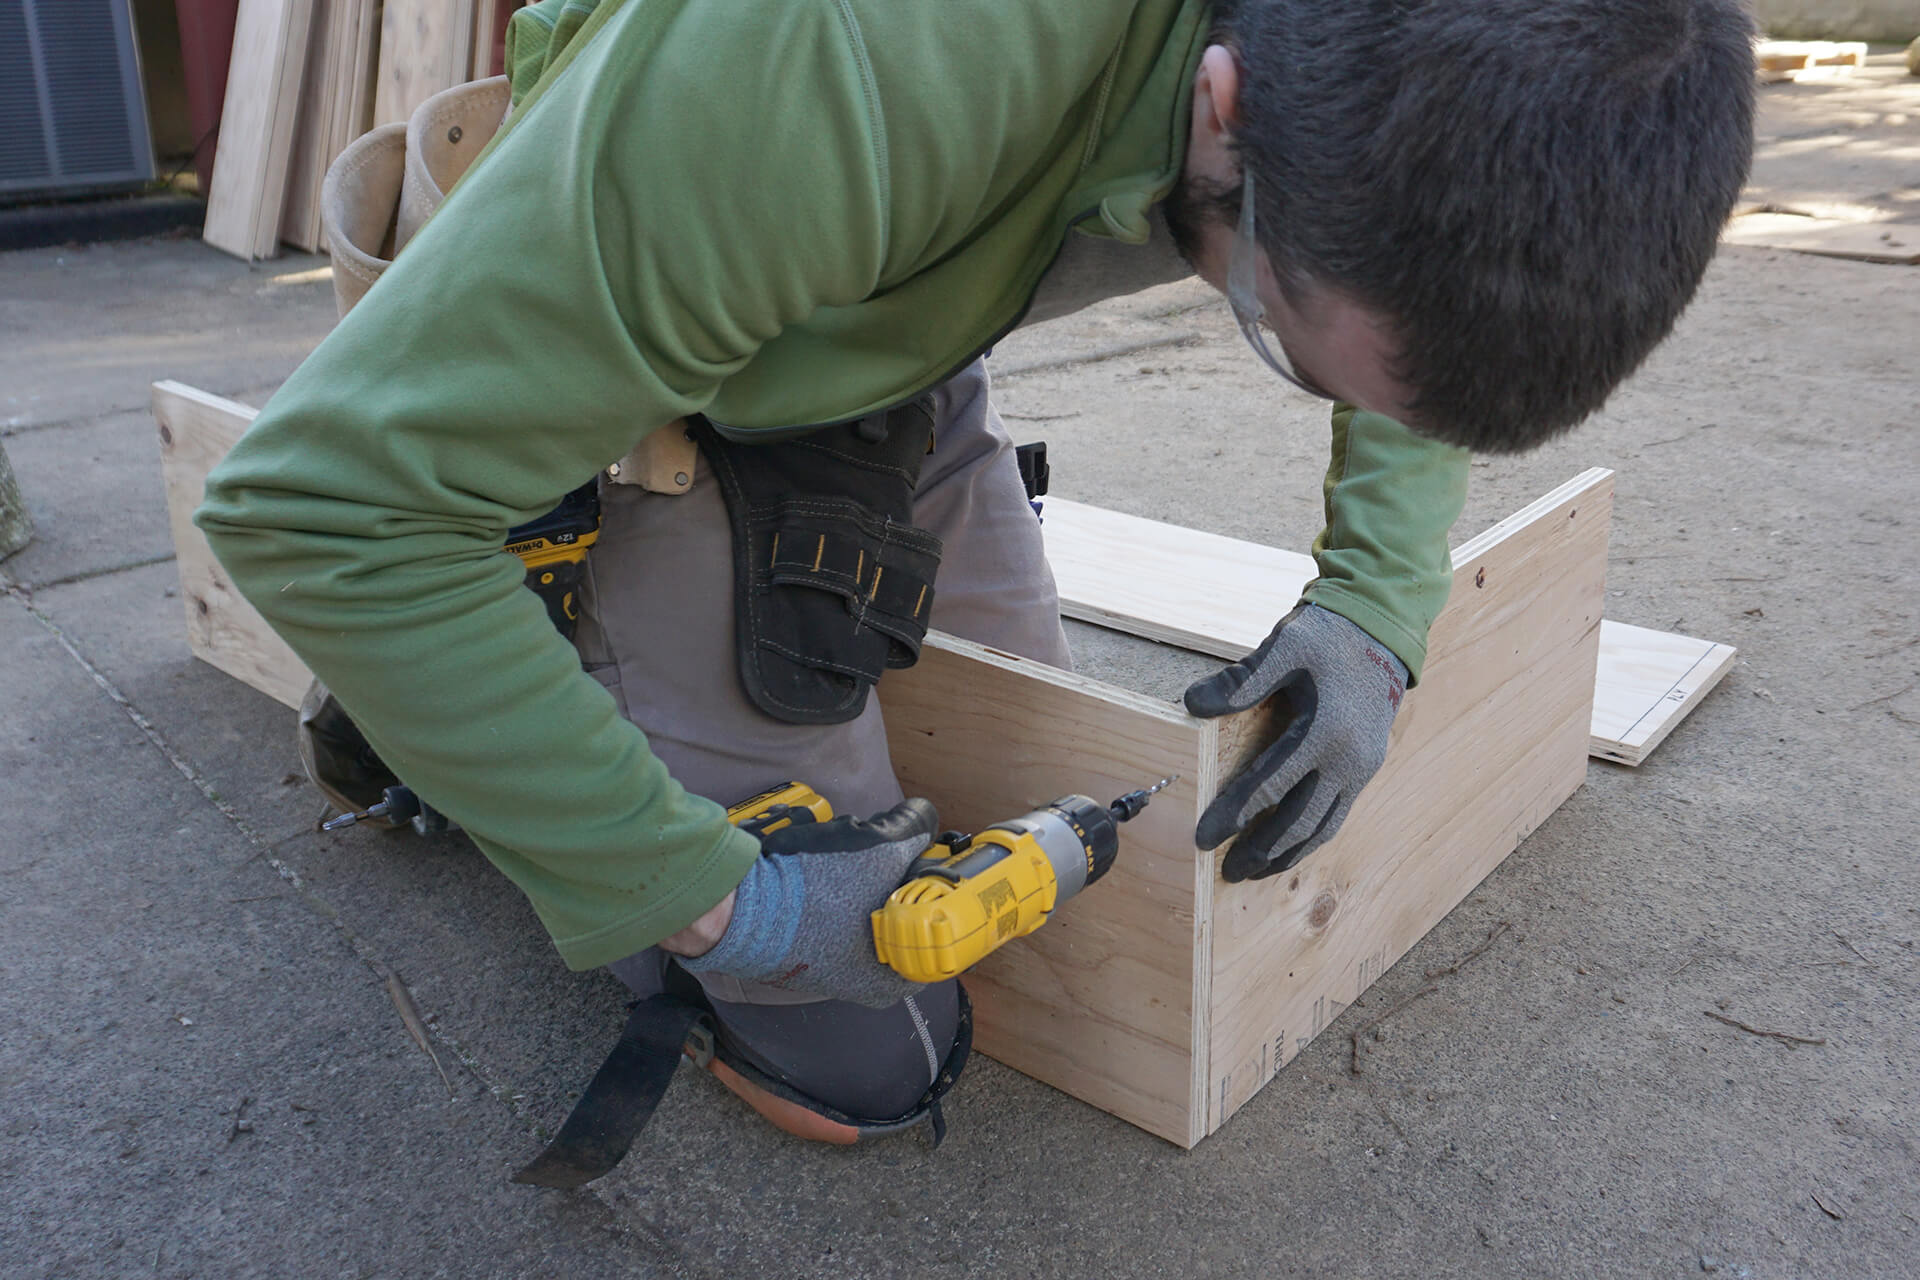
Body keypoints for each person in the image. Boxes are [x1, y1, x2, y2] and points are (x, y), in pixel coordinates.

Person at [197, 0, 1755, 1161]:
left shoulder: (1422, 67)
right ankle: (464, 661)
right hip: (659, 357)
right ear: (1224, 104)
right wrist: (706, 901)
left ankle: (581, 639)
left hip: (888, 303)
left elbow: (1412, 323)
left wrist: (1377, 602)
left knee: (1038, 795)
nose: (1307, 370)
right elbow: (311, 506)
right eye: (1282, 328)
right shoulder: (833, 70)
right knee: (865, 1057)